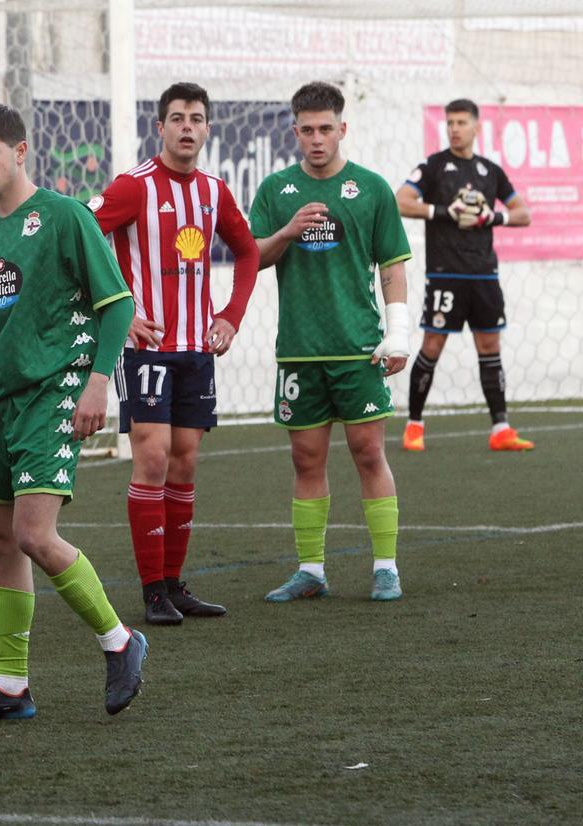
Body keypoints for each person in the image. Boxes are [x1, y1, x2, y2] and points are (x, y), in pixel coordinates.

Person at [0, 104, 147, 723]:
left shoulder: (64, 215)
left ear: (21, 151)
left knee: (33, 534)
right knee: (0, 542)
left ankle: (120, 639)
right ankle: (9, 687)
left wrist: (97, 384)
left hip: (55, 392)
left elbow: (115, 305)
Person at [91, 82, 259, 624]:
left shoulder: (214, 189)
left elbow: (249, 249)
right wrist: (119, 311)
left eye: (197, 119)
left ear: (207, 129)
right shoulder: (132, 186)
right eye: (178, 118)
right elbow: (83, 238)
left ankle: (174, 584)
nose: (187, 127)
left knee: (185, 463)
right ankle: (151, 594)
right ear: (159, 127)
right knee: (154, 457)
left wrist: (230, 314)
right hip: (146, 348)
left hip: (196, 350)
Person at [249, 82, 411, 603]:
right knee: (306, 461)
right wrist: (287, 232)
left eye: (326, 129)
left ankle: (385, 566)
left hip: (357, 347)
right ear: (294, 131)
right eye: (307, 130)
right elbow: (254, 256)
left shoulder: (372, 189)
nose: (317, 139)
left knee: (368, 453)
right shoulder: (276, 191)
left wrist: (399, 333)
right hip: (299, 350)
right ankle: (311, 571)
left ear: (343, 130)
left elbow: (392, 266)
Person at [395, 98, 534, 452]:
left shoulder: (490, 171)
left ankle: (501, 429)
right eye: (450, 123)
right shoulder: (434, 166)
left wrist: (492, 217)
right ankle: (414, 426)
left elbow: (523, 213)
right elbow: (401, 200)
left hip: (484, 274)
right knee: (432, 345)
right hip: (446, 274)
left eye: (461, 122)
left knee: (490, 347)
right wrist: (445, 211)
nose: (454, 129)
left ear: (477, 127)